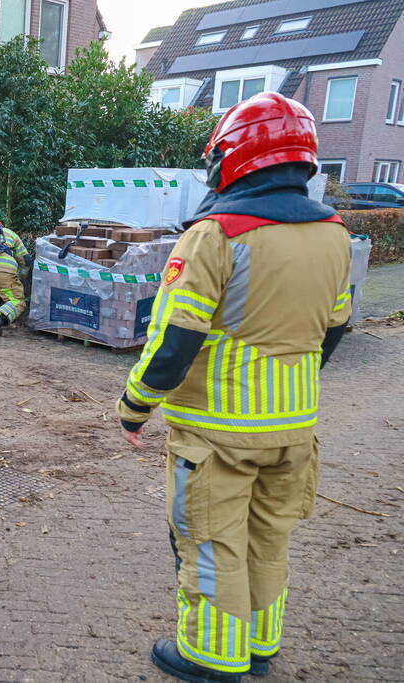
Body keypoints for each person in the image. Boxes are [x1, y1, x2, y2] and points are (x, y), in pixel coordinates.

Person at [115, 93, 352, 683]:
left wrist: (134, 406)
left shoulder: (216, 235)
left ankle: (211, 656)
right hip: (294, 427)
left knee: (212, 540)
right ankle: (260, 643)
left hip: (219, 431)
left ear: (235, 157)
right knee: (269, 538)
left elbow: (174, 338)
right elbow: (336, 327)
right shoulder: (335, 236)